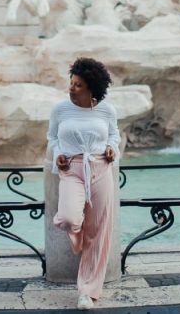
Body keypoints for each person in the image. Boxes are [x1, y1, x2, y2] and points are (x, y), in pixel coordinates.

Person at [47, 57, 121, 310]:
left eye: (78, 85)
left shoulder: (106, 110)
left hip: (100, 168)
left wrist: (111, 148)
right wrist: (57, 154)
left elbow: (114, 135)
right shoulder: (60, 110)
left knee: (98, 232)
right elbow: (52, 138)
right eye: (71, 83)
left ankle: (87, 292)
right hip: (71, 169)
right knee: (68, 219)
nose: (71, 88)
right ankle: (75, 234)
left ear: (91, 88)